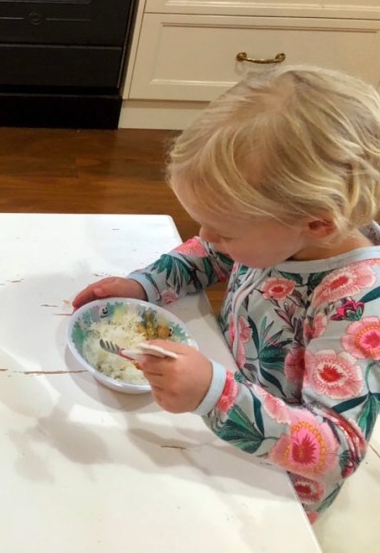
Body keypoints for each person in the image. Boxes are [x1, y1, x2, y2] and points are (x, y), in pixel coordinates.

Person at [73, 65, 380, 530]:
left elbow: (339, 450)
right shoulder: (283, 234)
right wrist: (146, 285)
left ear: (318, 222)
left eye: (225, 230)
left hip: (277, 489)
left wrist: (214, 394)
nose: (206, 235)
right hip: (226, 399)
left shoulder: (356, 306)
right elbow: (211, 254)